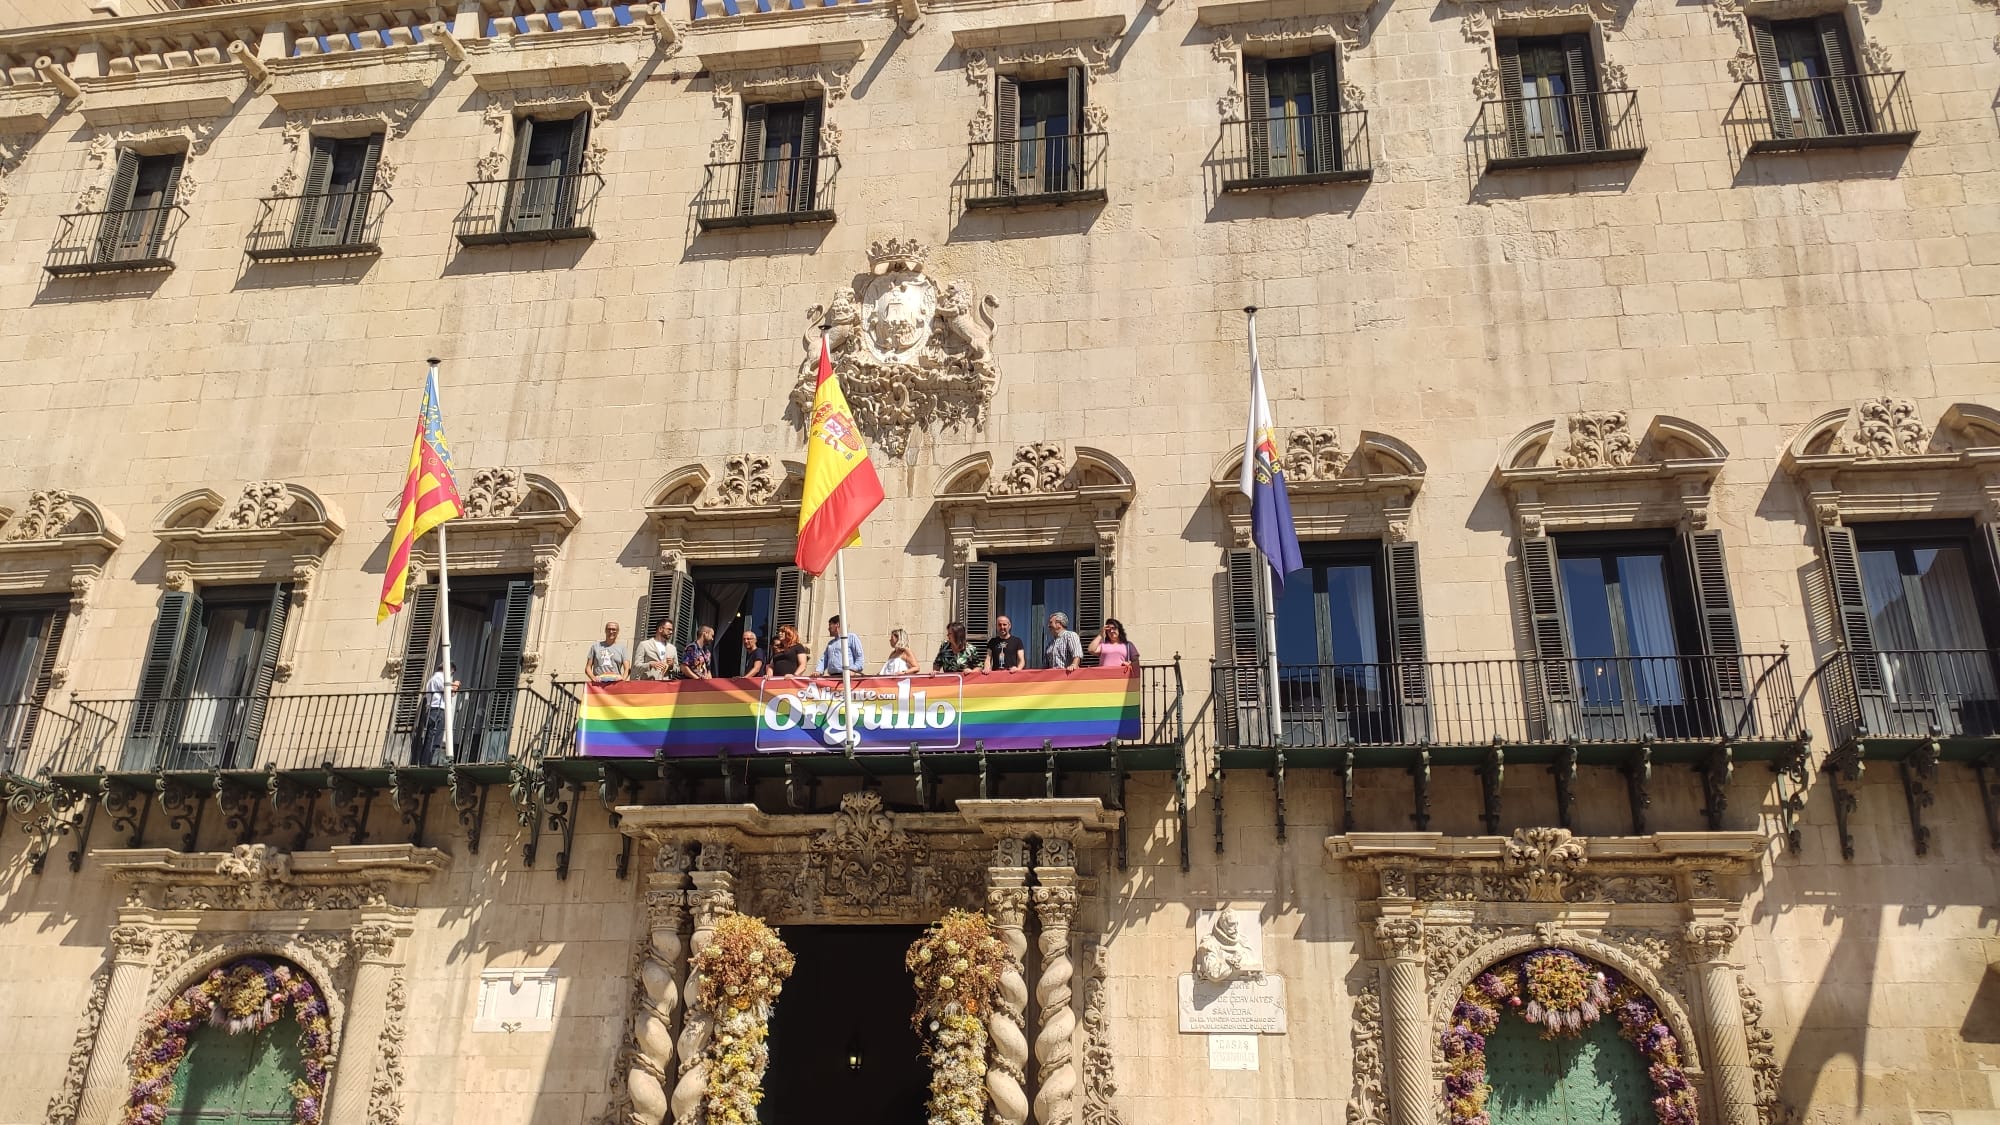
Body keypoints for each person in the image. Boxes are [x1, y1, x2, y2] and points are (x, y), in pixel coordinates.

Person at [420, 663, 458, 766]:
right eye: (451, 672)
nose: (450, 675)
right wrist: (455, 686)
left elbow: (448, 692)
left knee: (432, 736)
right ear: (448, 670)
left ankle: (427, 761)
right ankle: (428, 762)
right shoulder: (439, 677)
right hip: (437, 710)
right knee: (435, 737)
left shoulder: (433, 679)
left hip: (434, 710)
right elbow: (447, 690)